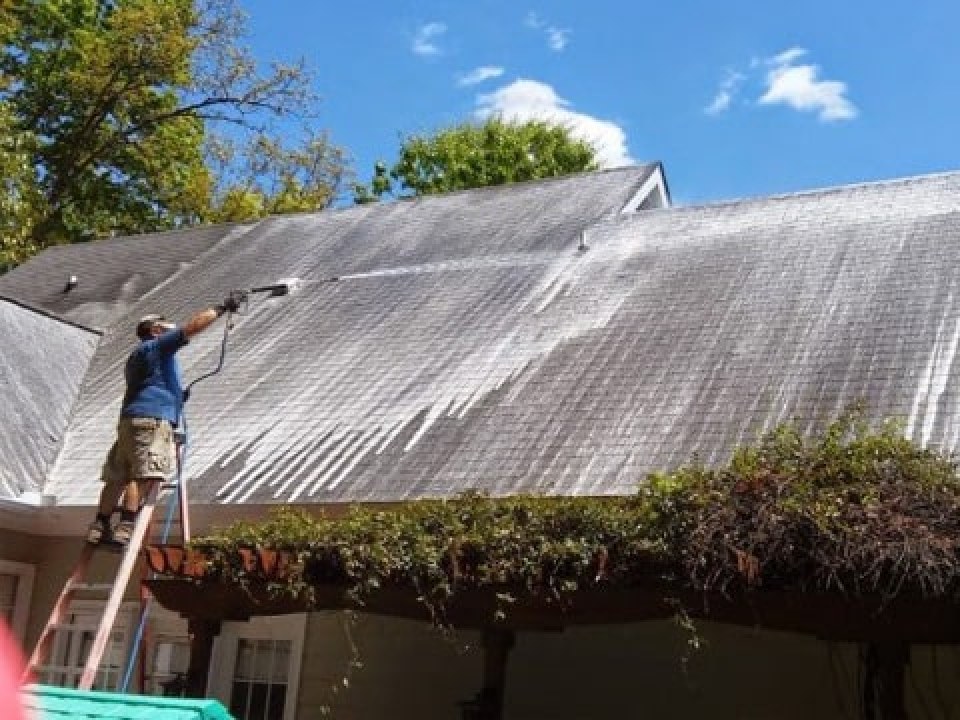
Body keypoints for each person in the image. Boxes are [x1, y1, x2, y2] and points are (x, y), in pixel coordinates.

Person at [86, 296, 241, 545]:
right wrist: (221, 308)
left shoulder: (139, 356)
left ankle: (100, 524)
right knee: (143, 475)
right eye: (167, 326)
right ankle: (126, 525)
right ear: (155, 330)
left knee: (117, 477)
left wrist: (177, 396)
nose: (172, 328)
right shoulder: (156, 346)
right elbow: (191, 328)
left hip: (130, 421)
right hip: (152, 422)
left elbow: (152, 383)